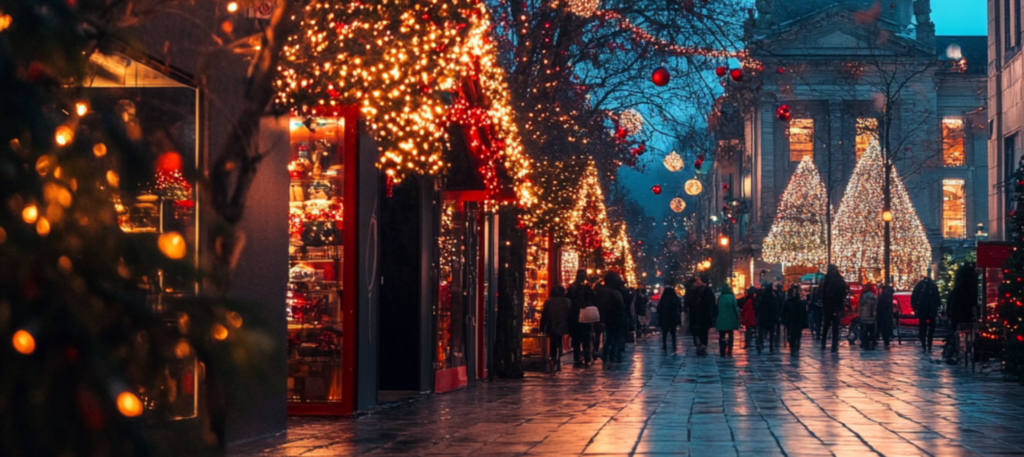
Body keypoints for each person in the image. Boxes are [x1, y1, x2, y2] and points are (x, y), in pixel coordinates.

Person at [945, 262, 979, 362]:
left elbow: (951, 302)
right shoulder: (971, 287)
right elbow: (974, 302)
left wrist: (949, 314)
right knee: (966, 332)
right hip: (965, 313)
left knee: (957, 331)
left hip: (957, 313)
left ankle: (956, 350)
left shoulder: (958, 289)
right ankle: (963, 350)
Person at [595, 272, 627, 364]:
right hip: (616, 317)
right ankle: (613, 355)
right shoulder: (615, 292)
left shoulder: (601, 292)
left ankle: (605, 354)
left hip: (606, 317)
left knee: (608, 337)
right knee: (615, 337)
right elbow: (621, 306)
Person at [567, 270, 595, 367]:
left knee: (576, 338)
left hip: (575, 315)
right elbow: (593, 299)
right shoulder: (587, 288)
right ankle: (586, 356)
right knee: (586, 336)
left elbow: (569, 300)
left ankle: (577, 358)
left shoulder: (572, 287)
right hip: (585, 314)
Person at [540, 285, 571, 371]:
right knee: (559, 341)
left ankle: (553, 359)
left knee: (553, 342)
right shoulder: (566, 301)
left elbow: (544, 315)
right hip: (562, 324)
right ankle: (558, 358)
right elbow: (570, 314)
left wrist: (542, 327)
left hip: (551, 324)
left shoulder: (549, 302)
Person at [820, 265, 849, 353]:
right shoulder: (838, 281)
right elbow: (843, 293)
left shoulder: (826, 280)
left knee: (827, 326)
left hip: (829, 307)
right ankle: (833, 345)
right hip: (834, 307)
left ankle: (825, 344)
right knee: (834, 327)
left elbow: (821, 293)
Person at [688, 275, 718, 356]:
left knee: (696, 332)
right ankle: (703, 346)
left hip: (694, 315)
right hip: (705, 315)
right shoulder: (708, 291)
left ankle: (698, 345)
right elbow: (713, 304)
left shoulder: (692, 291)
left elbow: (688, 304)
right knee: (704, 332)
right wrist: (714, 314)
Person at [911, 276, 940, 352]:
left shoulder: (920, 285)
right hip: (931, 309)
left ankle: (923, 342)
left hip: (922, 308)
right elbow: (937, 298)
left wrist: (915, 307)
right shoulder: (933, 286)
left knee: (923, 325)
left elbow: (914, 296)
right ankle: (929, 343)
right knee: (931, 326)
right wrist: (937, 307)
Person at [715, 284, 741, 357]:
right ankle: (729, 349)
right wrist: (738, 317)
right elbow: (735, 308)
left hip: (721, 318)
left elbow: (717, 308)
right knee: (730, 334)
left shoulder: (720, 298)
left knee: (721, 335)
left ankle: (722, 348)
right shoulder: (732, 298)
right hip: (731, 318)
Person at [782, 284, 808, 354]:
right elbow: (804, 312)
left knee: (791, 332)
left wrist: (783, 319)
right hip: (797, 320)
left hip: (790, 320)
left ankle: (792, 343)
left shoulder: (788, 301)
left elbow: (784, 312)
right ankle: (795, 343)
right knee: (797, 333)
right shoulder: (800, 302)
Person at [657, 287, 683, 353]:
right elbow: (680, 308)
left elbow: (658, 309)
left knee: (664, 333)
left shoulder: (663, 299)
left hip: (664, 317)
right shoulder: (676, 298)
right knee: (673, 333)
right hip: (673, 317)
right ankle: (674, 346)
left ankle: (664, 346)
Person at [756, 281, 778, 355]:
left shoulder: (763, 297)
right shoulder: (773, 297)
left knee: (761, 333)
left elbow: (758, 307)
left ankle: (760, 344)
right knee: (771, 334)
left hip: (763, 318)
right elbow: (775, 308)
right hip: (771, 318)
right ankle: (771, 347)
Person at [858, 284, 878, 350]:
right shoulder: (873, 296)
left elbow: (861, 305)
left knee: (864, 330)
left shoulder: (864, 296)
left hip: (865, 315)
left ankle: (865, 343)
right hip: (871, 316)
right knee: (871, 330)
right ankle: (872, 343)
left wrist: (860, 313)